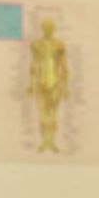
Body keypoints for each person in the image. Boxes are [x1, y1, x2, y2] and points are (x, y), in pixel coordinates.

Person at [28, 18, 69, 153]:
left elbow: (63, 67)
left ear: (53, 29)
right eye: (46, 28)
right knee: (42, 114)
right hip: (40, 82)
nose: (48, 30)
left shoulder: (59, 45)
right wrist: (30, 85)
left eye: (50, 28)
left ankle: (52, 141)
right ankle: (44, 141)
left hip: (55, 83)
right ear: (43, 29)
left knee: (53, 114)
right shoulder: (36, 45)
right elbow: (33, 65)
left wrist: (65, 87)